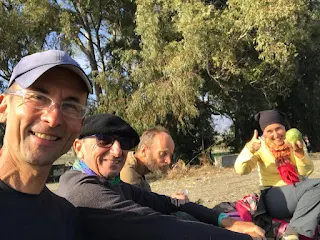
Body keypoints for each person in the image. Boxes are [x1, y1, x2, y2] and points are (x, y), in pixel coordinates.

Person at [56, 113, 266, 240]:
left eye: (125, 144)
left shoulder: (110, 182)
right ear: (78, 148)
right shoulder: (83, 188)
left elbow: (164, 202)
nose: (117, 151)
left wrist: (224, 220)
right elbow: (156, 225)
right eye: (104, 140)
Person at [0, 50, 92, 239]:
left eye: (70, 106)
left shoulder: (68, 219)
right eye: (37, 97)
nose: (53, 118)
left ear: (80, 125)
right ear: (3, 108)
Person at [234, 110, 319, 240]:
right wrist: (249, 149)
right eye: (270, 131)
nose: (275, 135)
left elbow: (305, 171)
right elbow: (241, 170)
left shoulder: (293, 142)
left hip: (297, 190)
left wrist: (300, 153)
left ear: (284, 128)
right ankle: (292, 233)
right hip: (275, 196)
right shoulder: (260, 147)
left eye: (278, 129)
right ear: (264, 133)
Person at [120, 126, 186, 199]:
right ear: (144, 150)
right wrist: (171, 202)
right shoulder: (126, 170)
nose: (169, 161)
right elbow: (138, 207)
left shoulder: (139, 171)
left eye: (170, 155)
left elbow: (148, 200)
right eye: (162, 154)